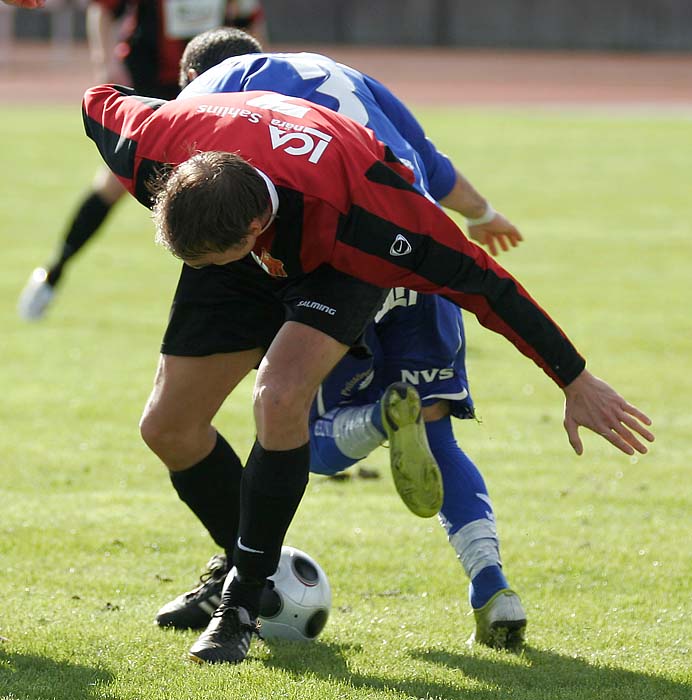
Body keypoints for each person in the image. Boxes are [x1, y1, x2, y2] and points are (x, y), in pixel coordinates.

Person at [81, 82, 654, 664]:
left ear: (254, 229)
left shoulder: (374, 218)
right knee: (168, 427)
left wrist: (574, 377)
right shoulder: (152, 142)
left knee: (278, 398)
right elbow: (95, 96)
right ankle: (249, 557)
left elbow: (487, 286)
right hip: (230, 234)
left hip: (334, 255)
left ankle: (240, 603)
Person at [151, 29, 526, 650]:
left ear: (202, 88)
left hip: (341, 260)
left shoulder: (222, 118)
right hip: (417, 254)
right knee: (436, 431)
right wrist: (483, 214)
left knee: (292, 422)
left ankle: (372, 424)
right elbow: (428, 162)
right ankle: (492, 586)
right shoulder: (340, 77)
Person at [17, 0, 267, 321]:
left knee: (230, 188)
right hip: (151, 87)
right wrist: (105, 62)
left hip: (216, 94)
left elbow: (251, 22)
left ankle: (242, 306)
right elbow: (104, 9)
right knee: (114, 184)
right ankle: (53, 274)